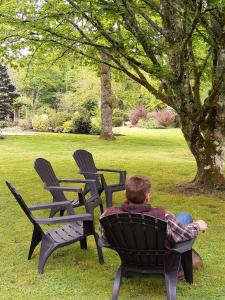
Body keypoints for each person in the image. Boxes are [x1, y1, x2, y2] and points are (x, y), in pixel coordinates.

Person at [100, 175, 207, 247]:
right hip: (159, 259)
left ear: (125, 194)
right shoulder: (163, 216)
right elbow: (184, 234)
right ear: (147, 197)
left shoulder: (108, 215)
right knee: (185, 216)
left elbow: (105, 237)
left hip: (128, 256)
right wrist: (198, 225)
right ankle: (182, 264)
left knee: (181, 219)